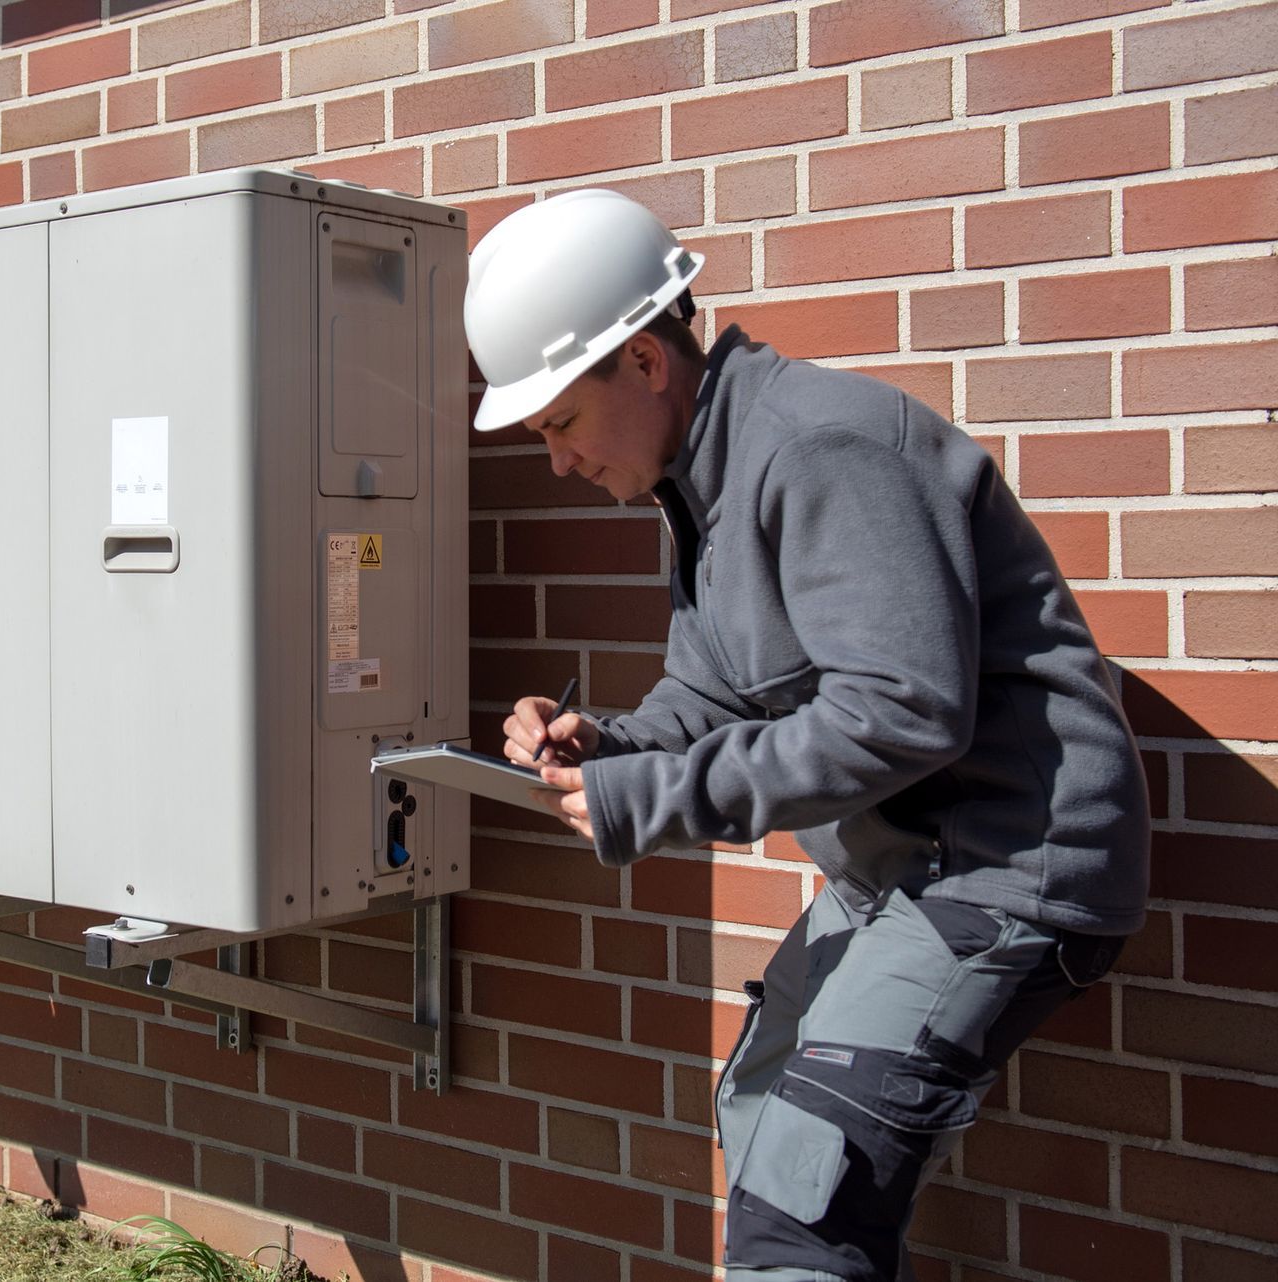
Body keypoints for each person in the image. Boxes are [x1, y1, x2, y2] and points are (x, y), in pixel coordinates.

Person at [470, 190, 1149, 1281]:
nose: (556, 460)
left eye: (558, 422)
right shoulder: (704, 491)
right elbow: (712, 703)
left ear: (644, 362)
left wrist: (658, 797)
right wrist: (604, 746)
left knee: (801, 1202)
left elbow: (904, 711)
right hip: (899, 871)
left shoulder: (820, 450)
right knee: (758, 1101)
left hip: (1004, 867)